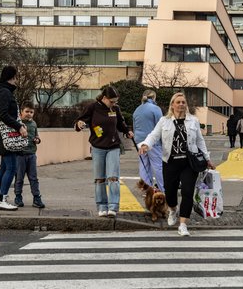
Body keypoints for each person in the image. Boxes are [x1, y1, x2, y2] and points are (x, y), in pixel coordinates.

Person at [138, 92, 215, 236]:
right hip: (170, 162)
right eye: (178, 102)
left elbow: (199, 141)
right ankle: (172, 209)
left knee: (187, 192)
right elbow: (154, 135)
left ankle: (183, 224)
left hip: (189, 163)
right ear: (172, 105)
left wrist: (207, 158)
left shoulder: (193, 121)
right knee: (171, 193)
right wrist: (145, 145)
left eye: (183, 102)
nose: (181, 105)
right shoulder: (164, 121)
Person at [75, 86, 134, 218]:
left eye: (115, 102)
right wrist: (79, 125)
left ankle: (113, 206)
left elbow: (121, 124)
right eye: (111, 101)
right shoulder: (92, 107)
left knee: (113, 177)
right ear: (104, 98)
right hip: (97, 147)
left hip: (113, 146)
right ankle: (101, 206)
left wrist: (127, 131)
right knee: (100, 179)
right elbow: (80, 121)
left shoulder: (115, 109)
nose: (113, 104)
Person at [0, 66, 28, 211]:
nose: (18, 80)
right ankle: (2, 199)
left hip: (2, 135)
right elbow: (4, 114)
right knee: (11, 168)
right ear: (12, 77)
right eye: (17, 76)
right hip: (7, 136)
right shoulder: (4, 92)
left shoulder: (0, 90)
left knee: (4, 167)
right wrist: (19, 126)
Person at [13, 102, 45, 209]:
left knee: (33, 178)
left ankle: (36, 198)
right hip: (20, 155)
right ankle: (18, 197)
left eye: (31, 112)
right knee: (19, 178)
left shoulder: (34, 124)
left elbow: (37, 136)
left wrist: (37, 140)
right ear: (21, 112)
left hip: (31, 154)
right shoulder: (17, 123)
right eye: (27, 111)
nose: (29, 114)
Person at [133, 89, 164, 191]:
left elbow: (134, 127)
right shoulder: (155, 109)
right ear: (154, 97)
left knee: (144, 166)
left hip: (139, 141)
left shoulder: (137, 109)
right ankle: (163, 188)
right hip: (152, 142)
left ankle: (146, 189)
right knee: (158, 166)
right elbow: (160, 126)